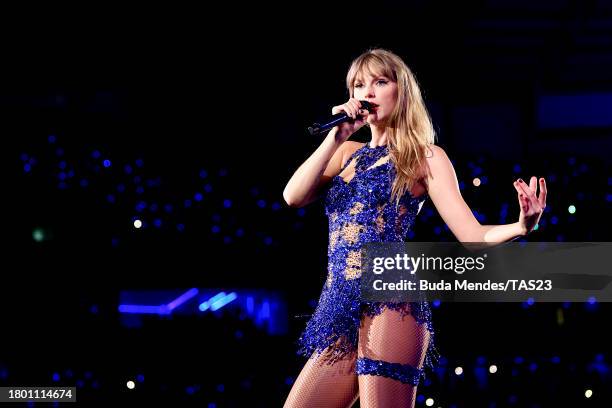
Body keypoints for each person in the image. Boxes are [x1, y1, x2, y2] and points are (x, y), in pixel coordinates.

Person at [282, 48, 547, 408]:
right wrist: (336, 136)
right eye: (359, 84)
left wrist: (521, 226)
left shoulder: (425, 156)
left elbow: (472, 235)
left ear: (401, 90)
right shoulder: (345, 154)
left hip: (390, 298)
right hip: (339, 302)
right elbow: (293, 196)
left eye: (380, 81)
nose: (367, 92)